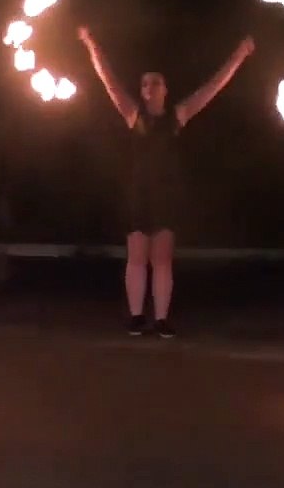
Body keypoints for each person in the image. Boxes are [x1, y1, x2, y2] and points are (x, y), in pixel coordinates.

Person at [78, 27, 255, 338]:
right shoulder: (133, 115)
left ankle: (161, 319)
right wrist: (91, 43)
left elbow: (212, 87)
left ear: (165, 89)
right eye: (145, 83)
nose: (149, 87)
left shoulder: (178, 115)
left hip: (166, 194)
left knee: (161, 258)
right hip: (138, 192)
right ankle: (136, 317)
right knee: (136, 256)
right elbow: (107, 78)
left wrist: (239, 56)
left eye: (155, 82)